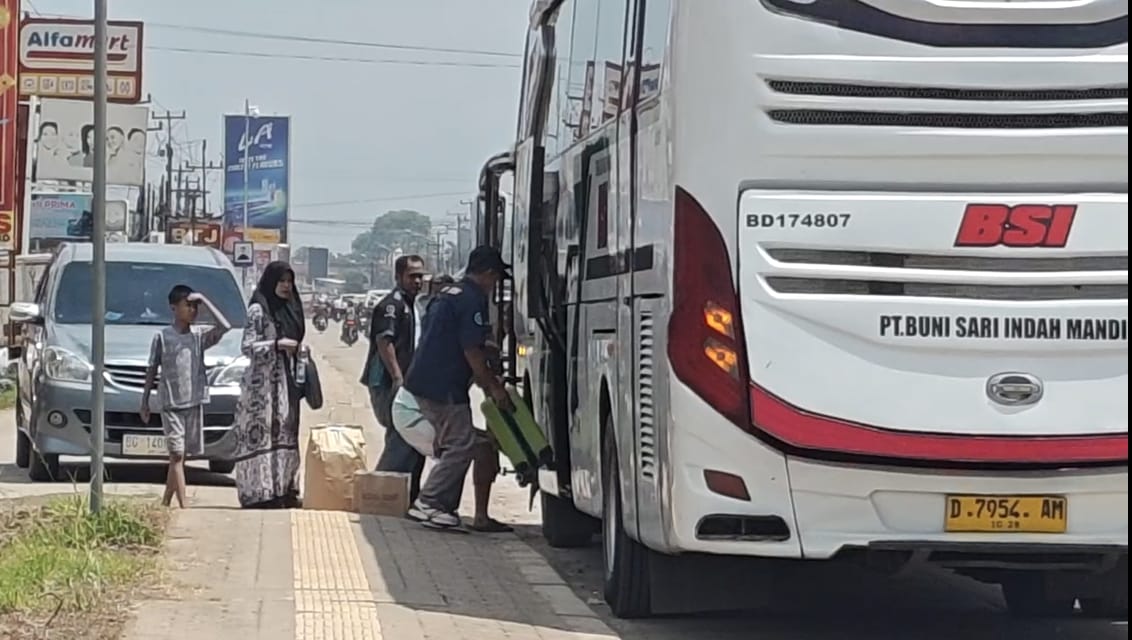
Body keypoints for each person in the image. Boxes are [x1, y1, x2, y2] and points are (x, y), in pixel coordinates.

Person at [402, 246, 515, 530]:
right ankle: (428, 501)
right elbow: (471, 352)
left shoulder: (447, 294)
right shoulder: (471, 299)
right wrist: (492, 387)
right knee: (461, 445)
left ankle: (442, 508)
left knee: (463, 444)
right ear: (488, 274)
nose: (494, 286)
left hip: (424, 380)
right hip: (443, 385)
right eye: (495, 278)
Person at [140, 285, 232, 508]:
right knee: (177, 455)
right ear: (174, 308)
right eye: (187, 305)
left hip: (193, 401)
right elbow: (152, 369)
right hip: (170, 403)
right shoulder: (162, 337)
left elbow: (225, 326)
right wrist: (144, 401)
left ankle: (165, 501)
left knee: (180, 458)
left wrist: (204, 298)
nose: (192, 310)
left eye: (194, 307)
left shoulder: (198, 336)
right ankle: (184, 505)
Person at [231, 262, 306, 509]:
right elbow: (246, 347)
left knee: (285, 432)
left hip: (287, 384)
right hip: (260, 388)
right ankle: (259, 493)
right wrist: (276, 345)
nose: (286, 286)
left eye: (289, 281)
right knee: (261, 435)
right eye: (281, 281)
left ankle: (284, 491)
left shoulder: (293, 308)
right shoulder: (258, 310)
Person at [362, 255, 428, 499]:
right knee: (401, 436)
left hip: (410, 384)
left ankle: (407, 496)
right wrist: (398, 378)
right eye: (412, 276)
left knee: (415, 438)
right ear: (398, 277)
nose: (418, 281)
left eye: (421, 275)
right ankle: (382, 496)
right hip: (388, 382)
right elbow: (384, 341)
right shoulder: (392, 305)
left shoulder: (415, 306)